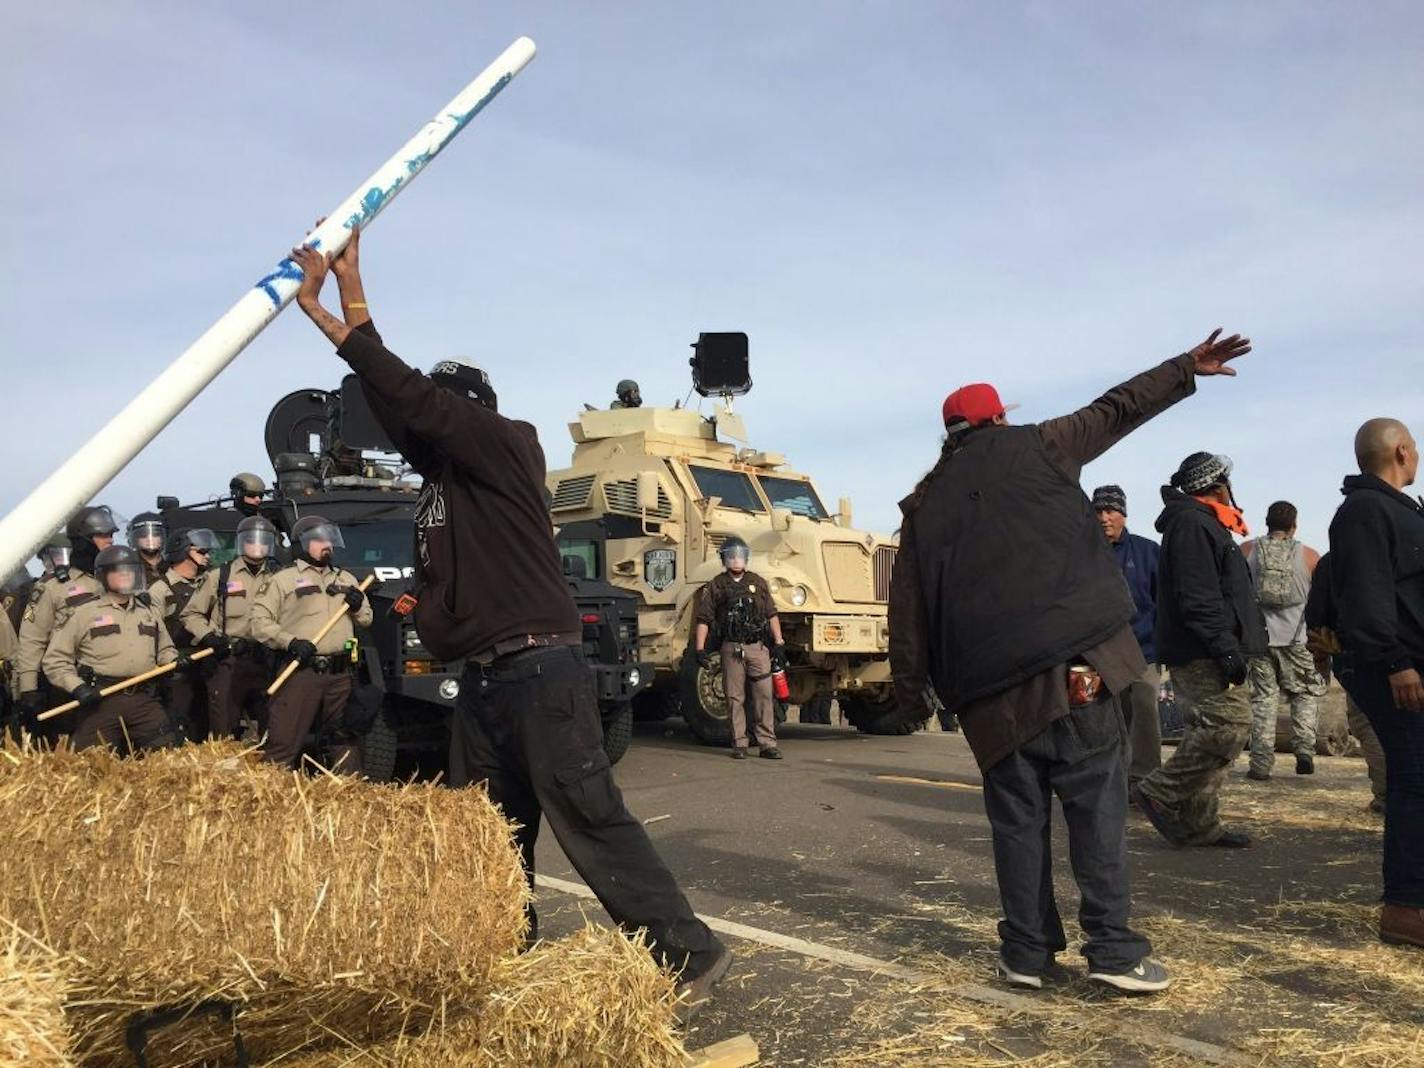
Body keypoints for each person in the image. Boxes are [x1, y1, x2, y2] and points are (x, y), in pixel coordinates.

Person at [286, 229, 731, 1017]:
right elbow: (403, 405)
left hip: (542, 673)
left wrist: (330, 320)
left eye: (439, 408)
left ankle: (687, 950)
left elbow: (414, 400)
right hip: (484, 683)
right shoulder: (440, 486)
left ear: (468, 413)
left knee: (589, 815)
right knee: (487, 834)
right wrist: (353, 291)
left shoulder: (505, 445)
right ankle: (501, 958)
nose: (421, 421)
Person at [890, 327, 1250, 994]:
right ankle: (1113, 953)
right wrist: (1185, 368)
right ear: (1000, 417)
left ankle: (1025, 956)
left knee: (1018, 825)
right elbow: (1117, 407)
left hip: (989, 698)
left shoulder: (922, 509)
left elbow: (906, 617)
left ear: (951, 434)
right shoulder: (1042, 446)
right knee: (1095, 811)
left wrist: (910, 697)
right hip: (1075, 673)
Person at [1134, 452, 1266, 850]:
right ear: (1217, 485)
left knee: (1211, 735)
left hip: (1208, 646)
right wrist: (1226, 649)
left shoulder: (1202, 524)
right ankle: (1160, 789)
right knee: (1227, 727)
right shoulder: (1193, 525)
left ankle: (1199, 825)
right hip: (1203, 651)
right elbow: (1199, 597)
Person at [1328, 417, 1424, 949]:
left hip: (1406, 662)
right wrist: (1396, 663)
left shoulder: (1398, 511)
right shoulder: (1366, 510)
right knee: (1414, 778)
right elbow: (1367, 595)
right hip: (1395, 667)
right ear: (1403, 451)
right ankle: (1406, 908)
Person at [249, 515, 370, 774]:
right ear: (302, 544)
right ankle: (271, 796)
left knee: (344, 739)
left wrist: (358, 606)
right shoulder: (283, 580)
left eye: (330, 538)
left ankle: (349, 796)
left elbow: (367, 619)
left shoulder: (346, 578)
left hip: (340, 673)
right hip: (301, 670)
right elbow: (259, 623)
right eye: (320, 539)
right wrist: (291, 642)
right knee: (284, 739)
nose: (327, 544)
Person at [41, 545, 179, 752]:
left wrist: (174, 660)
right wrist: (78, 687)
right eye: (118, 571)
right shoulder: (82, 613)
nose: (126, 575)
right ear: (104, 575)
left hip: (144, 699)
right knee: (90, 763)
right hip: (102, 700)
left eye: (131, 570)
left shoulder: (148, 612)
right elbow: (55, 660)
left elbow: (165, 649)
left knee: (168, 756)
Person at [180, 515, 283, 740]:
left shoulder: (280, 577)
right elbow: (190, 614)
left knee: (273, 725)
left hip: (267, 659)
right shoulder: (220, 576)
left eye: (263, 541)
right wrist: (209, 637)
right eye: (251, 540)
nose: (257, 546)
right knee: (224, 727)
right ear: (241, 542)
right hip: (229, 658)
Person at [1241, 502, 1324, 779]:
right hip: (1297, 639)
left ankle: (1260, 765)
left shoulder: (1247, 551)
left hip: (1259, 640)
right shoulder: (1310, 556)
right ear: (1294, 525)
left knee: (1264, 699)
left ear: (1267, 522)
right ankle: (1304, 752)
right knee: (1304, 694)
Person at [15, 507, 114, 736]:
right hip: (67, 684)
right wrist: (28, 690)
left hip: (110, 682)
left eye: (111, 534)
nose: (110, 540)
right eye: (103, 535)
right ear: (84, 540)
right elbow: (32, 640)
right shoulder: (52, 587)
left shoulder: (116, 578)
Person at [1092, 485, 1163, 790]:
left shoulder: (1148, 551)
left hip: (1143, 650)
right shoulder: (1082, 554)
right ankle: (1112, 780)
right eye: (1098, 512)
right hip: (1099, 653)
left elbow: (1165, 601)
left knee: (1145, 711)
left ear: (1123, 514)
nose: (1104, 518)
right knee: (1108, 718)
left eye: (1110, 511)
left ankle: (1145, 781)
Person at [692, 535, 788, 759]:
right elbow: (704, 618)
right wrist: (699, 648)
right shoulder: (717, 585)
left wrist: (779, 642)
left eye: (740, 555)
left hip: (757, 646)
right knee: (735, 697)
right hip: (732, 647)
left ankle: (767, 743)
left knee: (764, 695)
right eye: (731, 555)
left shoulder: (758, 582)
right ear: (724, 559)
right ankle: (739, 743)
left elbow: (771, 614)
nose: (736, 559)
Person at [1305, 552, 1386, 813]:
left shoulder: (1333, 560)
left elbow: (1317, 610)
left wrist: (1320, 655)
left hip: (1357, 653)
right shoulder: (1405, 545)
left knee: (1367, 723)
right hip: (1407, 653)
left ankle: (1387, 795)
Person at [148, 527, 220, 738]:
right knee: (179, 726)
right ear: (182, 552)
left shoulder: (209, 583)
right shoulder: (160, 589)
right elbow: (152, 631)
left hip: (206, 665)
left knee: (205, 724)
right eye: (202, 552)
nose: (207, 556)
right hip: (176, 670)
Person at [127, 512, 168, 587]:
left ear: (162, 538)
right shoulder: (128, 569)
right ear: (136, 539)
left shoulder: (172, 567)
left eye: (155, 535)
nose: (149, 540)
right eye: (143, 536)